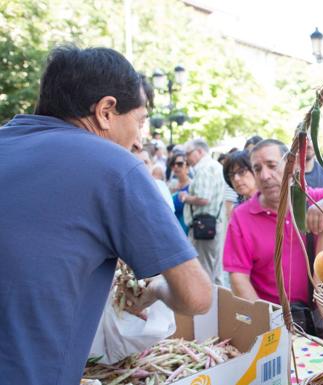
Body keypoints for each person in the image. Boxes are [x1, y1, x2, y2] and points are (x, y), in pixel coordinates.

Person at [0, 46, 212, 385]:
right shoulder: (114, 167)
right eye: (140, 122)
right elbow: (197, 296)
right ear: (106, 111)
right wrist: (156, 289)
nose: (140, 142)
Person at [222, 140, 323, 311]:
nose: (265, 176)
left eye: (272, 165)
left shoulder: (311, 200)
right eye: (257, 169)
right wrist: (267, 321)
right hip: (272, 321)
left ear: (292, 166)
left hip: (317, 319)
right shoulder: (241, 217)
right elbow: (238, 278)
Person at [180, 138, 226, 285]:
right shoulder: (214, 166)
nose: (186, 158)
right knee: (215, 271)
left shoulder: (204, 168)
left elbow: (203, 199)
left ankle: (208, 306)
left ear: (199, 151)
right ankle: (219, 305)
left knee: (204, 271)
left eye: (188, 154)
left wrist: (185, 197)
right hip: (212, 224)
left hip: (204, 225)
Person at [168, 153, 192, 233]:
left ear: (187, 166)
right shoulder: (171, 185)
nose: (175, 167)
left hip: (186, 231)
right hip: (171, 229)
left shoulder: (192, 186)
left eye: (180, 164)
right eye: (173, 164)